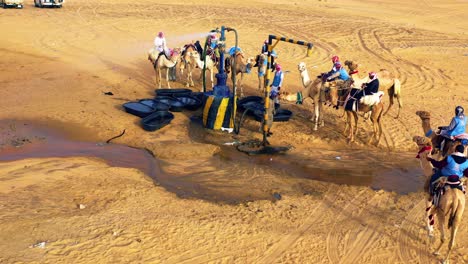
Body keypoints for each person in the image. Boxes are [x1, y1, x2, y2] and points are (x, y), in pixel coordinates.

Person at [266, 64, 284, 137]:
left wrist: (279, 86)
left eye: (277, 68)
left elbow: (281, 80)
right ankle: (266, 132)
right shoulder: (276, 72)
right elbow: (274, 79)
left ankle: (277, 106)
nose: (277, 69)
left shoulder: (281, 74)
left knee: (276, 98)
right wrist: (272, 84)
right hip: (274, 86)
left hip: (277, 86)